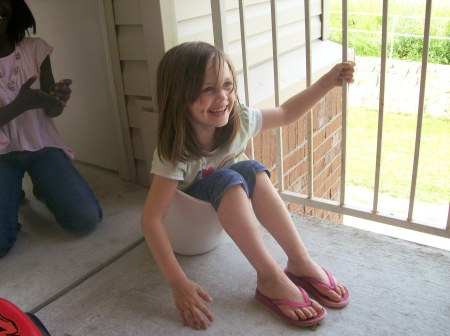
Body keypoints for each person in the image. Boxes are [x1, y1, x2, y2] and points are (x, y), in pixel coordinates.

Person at [141, 41, 355, 329]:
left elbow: (286, 113)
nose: (223, 97)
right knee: (231, 177)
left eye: (227, 85)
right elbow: (151, 220)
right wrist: (178, 282)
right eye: (208, 89)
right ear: (179, 96)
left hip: (218, 213)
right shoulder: (174, 151)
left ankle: (299, 261)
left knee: (251, 168)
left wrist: (328, 82)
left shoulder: (238, 120)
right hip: (187, 231)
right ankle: (270, 277)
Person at [0, 0, 102, 258]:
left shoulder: (36, 49)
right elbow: (24, 104)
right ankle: (13, 197)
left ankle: (42, 187)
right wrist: (19, 105)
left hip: (42, 146)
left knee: (86, 219)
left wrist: (58, 99)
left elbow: (51, 110)